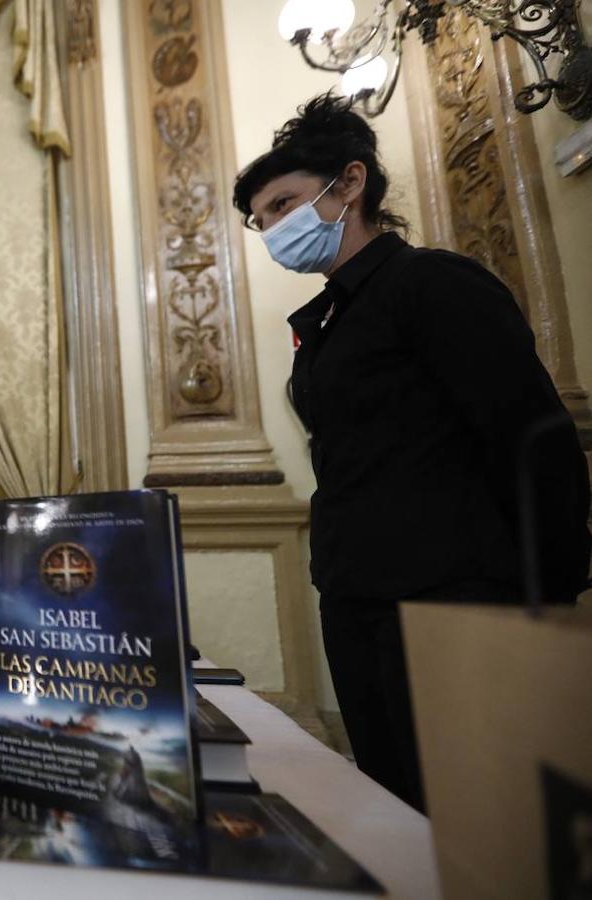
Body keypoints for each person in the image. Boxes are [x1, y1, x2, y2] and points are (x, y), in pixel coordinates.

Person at [232, 93, 590, 812]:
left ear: (351, 183)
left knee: (482, 812)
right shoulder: (327, 320)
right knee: (398, 803)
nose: (272, 229)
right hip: (358, 598)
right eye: (261, 219)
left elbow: (532, 440)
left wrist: (545, 596)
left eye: (284, 204)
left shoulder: (432, 284)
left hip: (455, 599)